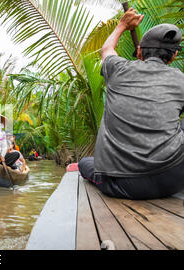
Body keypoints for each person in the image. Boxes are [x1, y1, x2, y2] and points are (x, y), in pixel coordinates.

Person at [77, 8, 184, 200]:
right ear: (174, 56)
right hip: (173, 178)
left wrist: (122, 25)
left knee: (86, 163)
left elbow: (107, 50)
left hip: (122, 184)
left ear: (140, 51)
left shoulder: (118, 69)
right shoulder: (181, 79)